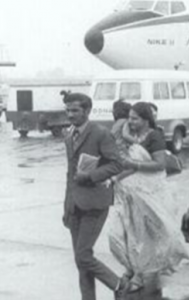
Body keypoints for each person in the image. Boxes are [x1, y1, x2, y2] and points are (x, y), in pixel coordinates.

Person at [108, 102, 189, 293]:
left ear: (146, 120)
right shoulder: (134, 136)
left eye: (135, 118)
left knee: (145, 236)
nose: (130, 121)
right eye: (129, 118)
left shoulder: (155, 136)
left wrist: (134, 164)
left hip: (150, 193)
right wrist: (114, 179)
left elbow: (159, 165)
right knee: (123, 233)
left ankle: (141, 273)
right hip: (131, 193)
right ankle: (133, 267)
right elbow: (129, 166)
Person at [61, 93, 128, 300]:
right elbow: (70, 174)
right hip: (75, 205)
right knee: (81, 260)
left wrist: (89, 175)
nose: (70, 115)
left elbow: (116, 164)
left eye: (75, 110)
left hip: (95, 203)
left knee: (83, 256)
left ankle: (119, 285)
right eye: (68, 110)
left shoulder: (100, 133)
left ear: (88, 111)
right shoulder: (69, 134)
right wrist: (66, 207)